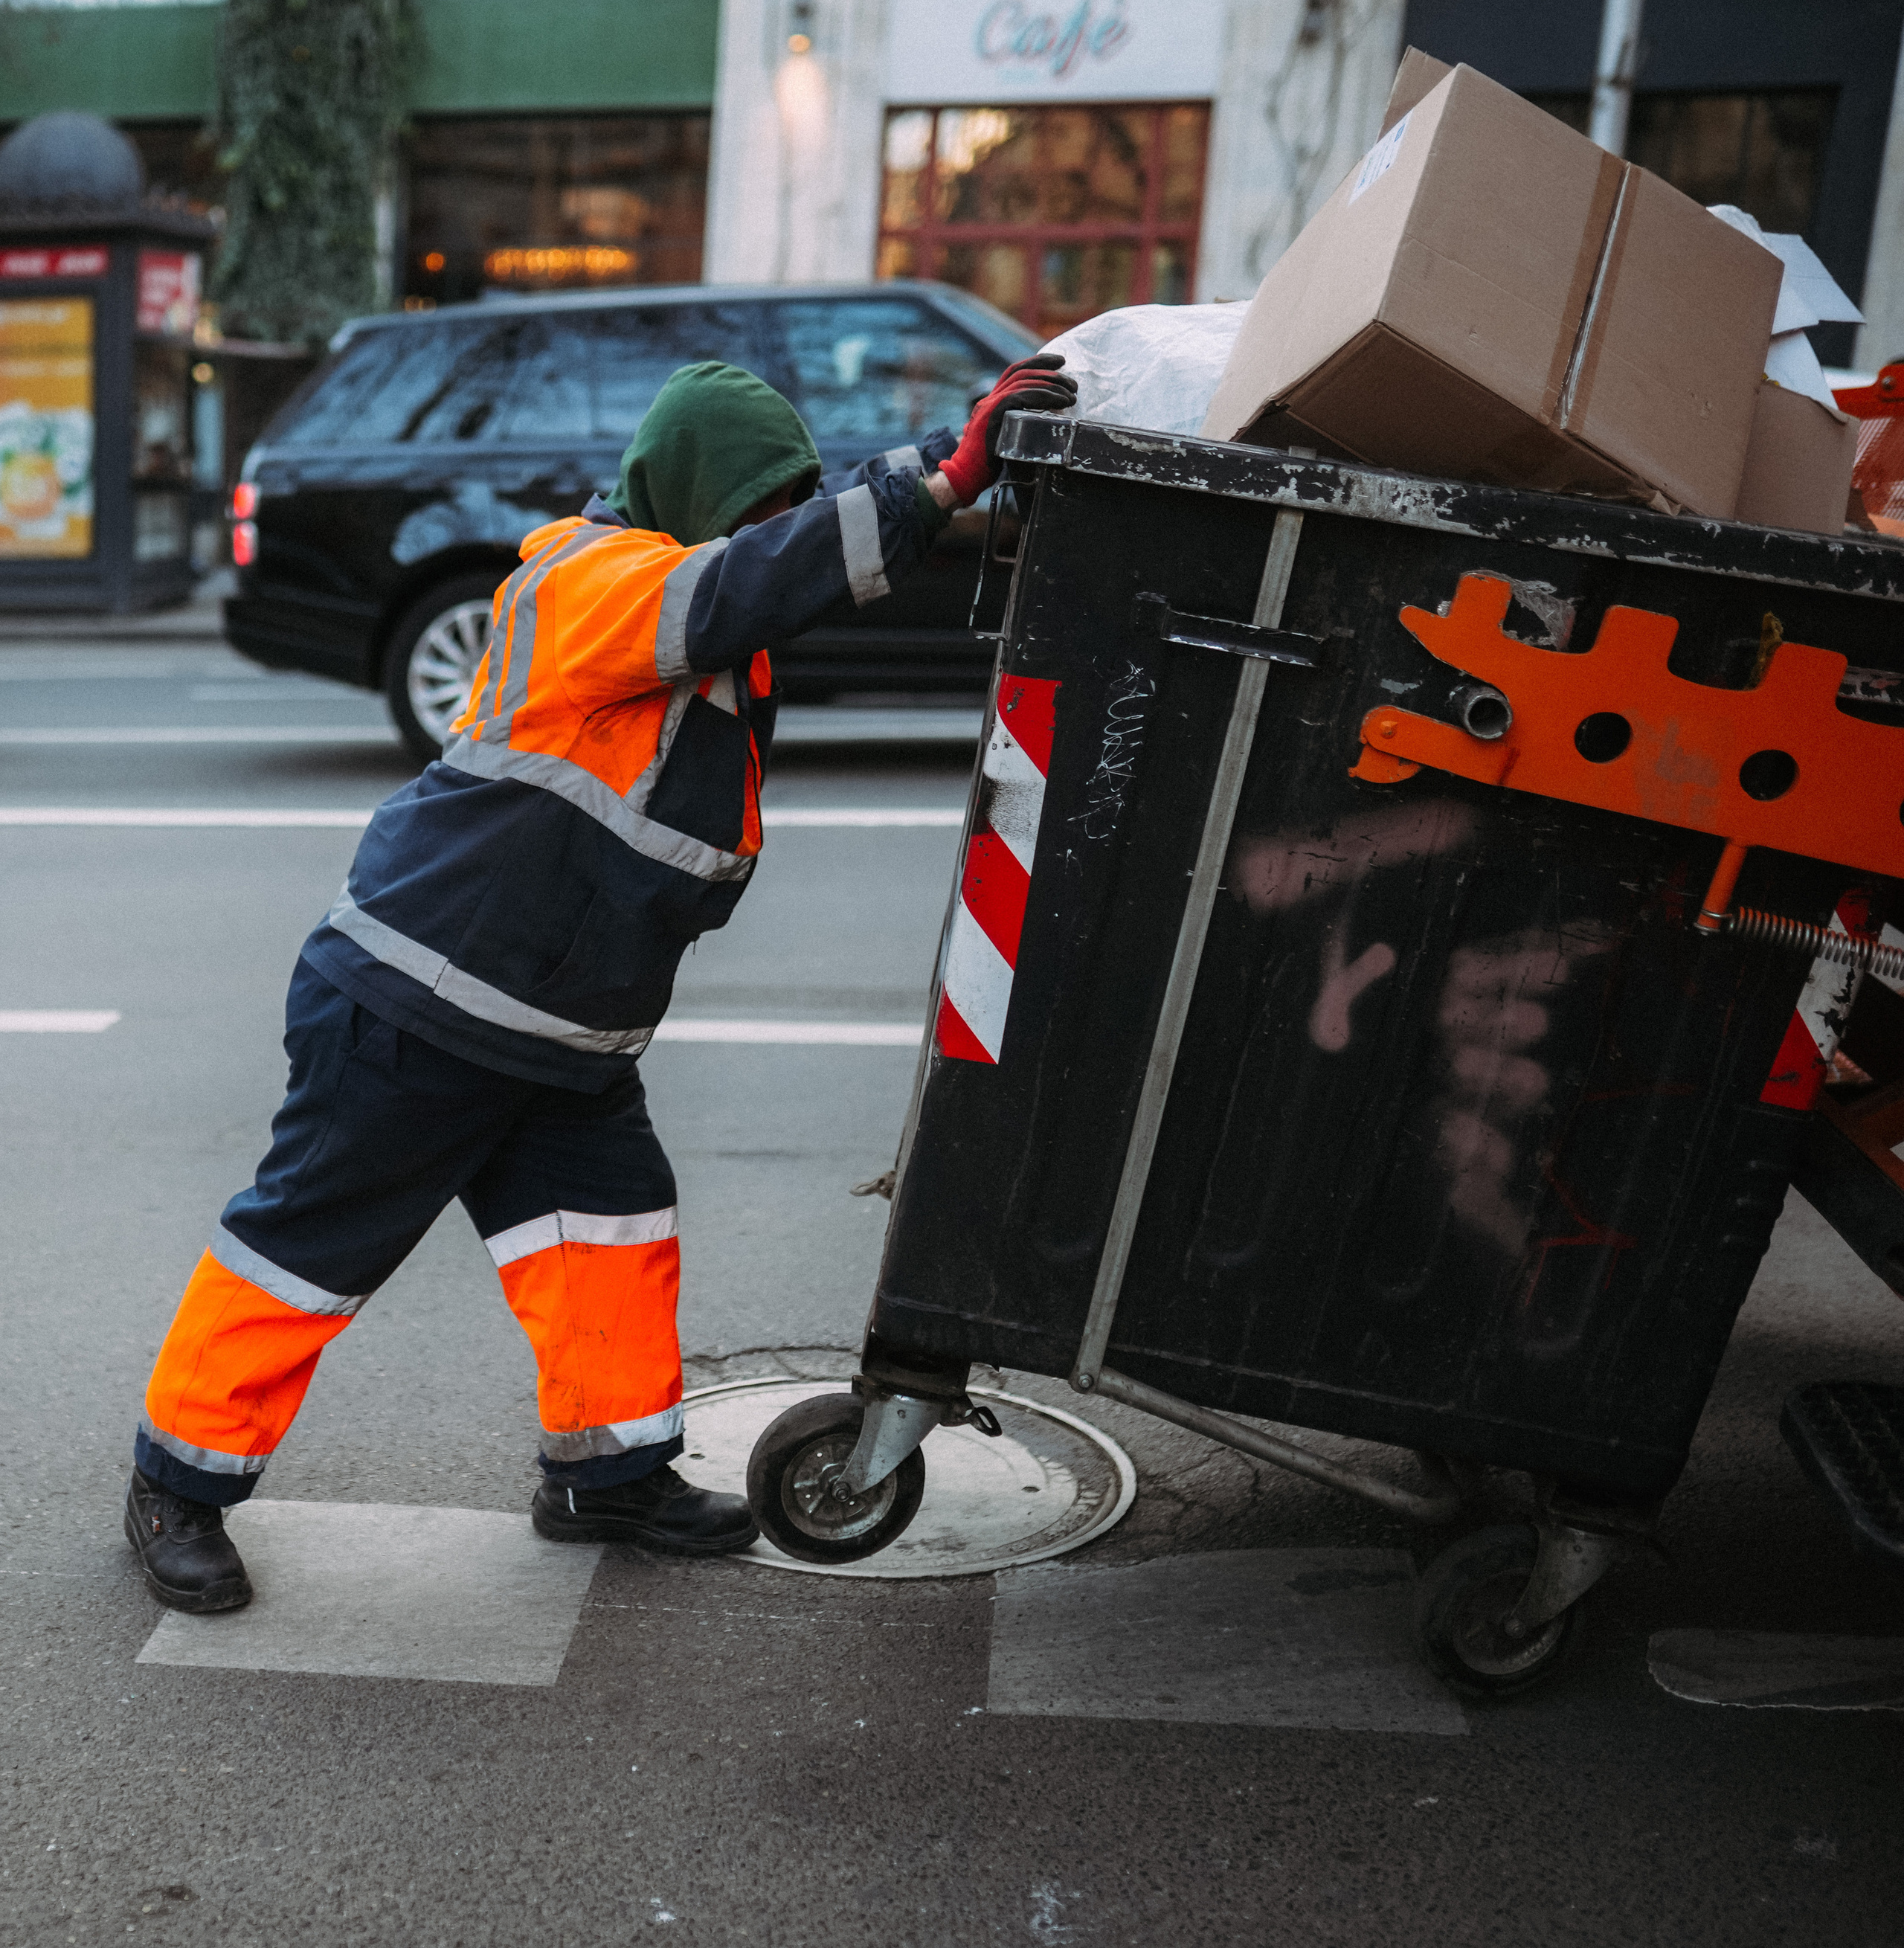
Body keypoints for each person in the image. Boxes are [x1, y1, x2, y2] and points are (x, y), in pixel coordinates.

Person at [125, 352, 1077, 1613]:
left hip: (562, 1041)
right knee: (306, 1250)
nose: (771, 529)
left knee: (609, 1242)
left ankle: (606, 1478)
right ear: (691, 493)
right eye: (757, 503)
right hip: (422, 1007)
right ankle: (177, 1484)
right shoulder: (595, 577)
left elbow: (758, 592)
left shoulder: (706, 627)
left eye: (782, 507)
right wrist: (942, 481)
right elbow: (745, 582)